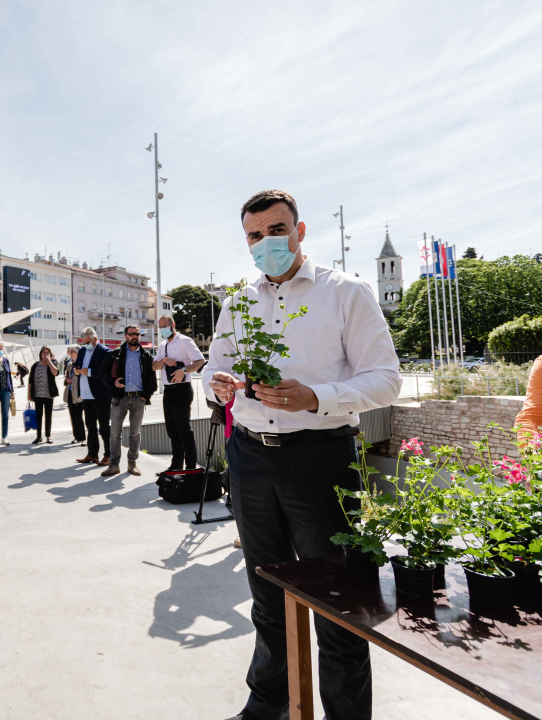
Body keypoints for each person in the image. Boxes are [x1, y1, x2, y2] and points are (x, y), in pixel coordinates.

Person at [205, 190, 401, 720]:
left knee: (339, 603)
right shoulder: (237, 301)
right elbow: (213, 366)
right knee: (266, 596)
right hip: (250, 458)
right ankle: (267, 705)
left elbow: (386, 379)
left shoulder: (347, 293)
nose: (265, 242)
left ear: (300, 230)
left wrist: (318, 397)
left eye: (275, 230)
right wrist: (216, 385)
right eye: (254, 235)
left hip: (321, 459)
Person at [100, 325, 157, 476]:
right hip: (120, 399)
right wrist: (114, 384)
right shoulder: (115, 354)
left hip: (139, 399)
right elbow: (102, 373)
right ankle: (114, 465)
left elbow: (152, 381)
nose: (135, 337)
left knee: (135, 433)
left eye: (137, 334)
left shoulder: (146, 355)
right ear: (125, 336)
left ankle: (132, 463)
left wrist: (146, 396)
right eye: (131, 334)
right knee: (115, 433)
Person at [152, 315, 206, 470]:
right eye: (160, 326)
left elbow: (200, 361)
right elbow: (154, 366)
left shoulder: (185, 341)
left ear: (173, 325)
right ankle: (176, 465)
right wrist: (163, 360)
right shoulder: (162, 345)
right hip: (168, 391)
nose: (163, 329)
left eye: (165, 325)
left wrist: (183, 370)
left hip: (182, 390)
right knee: (172, 430)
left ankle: (190, 467)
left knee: (184, 430)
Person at [73, 328, 112, 466]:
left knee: (104, 427)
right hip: (86, 394)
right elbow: (77, 364)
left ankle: (109, 455)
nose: (86, 345)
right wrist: (76, 370)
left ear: (95, 339)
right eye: (84, 342)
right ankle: (92, 454)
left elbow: (105, 372)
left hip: (100, 395)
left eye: (88, 342)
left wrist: (88, 372)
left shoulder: (105, 351)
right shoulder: (83, 350)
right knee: (90, 426)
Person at [28, 345, 59, 444]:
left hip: (49, 394)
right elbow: (30, 381)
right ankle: (38, 436)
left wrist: (49, 361)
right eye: (44, 353)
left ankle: (48, 436)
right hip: (38, 394)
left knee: (48, 416)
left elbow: (55, 373)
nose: (45, 355)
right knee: (38, 416)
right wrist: (29, 394)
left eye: (47, 353)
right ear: (40, 354)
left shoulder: (52, 363)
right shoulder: (35, 365)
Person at [63, 346, 86, 445]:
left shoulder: (82, 364)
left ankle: (82, 438)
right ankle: (76, 436)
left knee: (78, 416)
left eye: (72, 351)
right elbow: (66, 378)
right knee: (72, 416)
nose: (70, 353)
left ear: (78, 353)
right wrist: (66, 380)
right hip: (69, 392)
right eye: (69, 351)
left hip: (79, 394)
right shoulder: (69, 365)